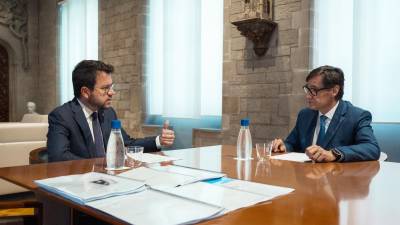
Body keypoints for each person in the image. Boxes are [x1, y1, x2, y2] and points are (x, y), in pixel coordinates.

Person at [47, 60, 175, 162]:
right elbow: (59, 156)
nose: (112, 92)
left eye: (111, 87)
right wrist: (98, 167)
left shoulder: (108, 113)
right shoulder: (62, 116)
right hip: (79, 183)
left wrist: (159, 140)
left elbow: (126, 143)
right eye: (105, 88)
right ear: (85, 92)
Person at [271, 65, 380, 162]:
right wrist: (283, 146)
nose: (308, 96)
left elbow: (371, 148)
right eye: (307, 90)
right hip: (306, 177)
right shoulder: (305, 115)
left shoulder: (357, 116)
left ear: (334, 91)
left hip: (338, 180)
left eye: (313, 90)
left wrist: (333, 154)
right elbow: (292, 143)